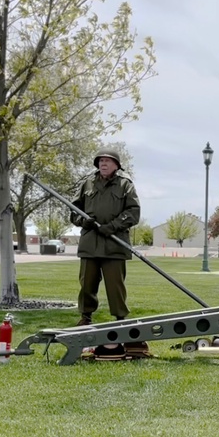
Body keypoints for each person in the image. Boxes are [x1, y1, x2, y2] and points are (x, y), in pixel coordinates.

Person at [70, 147, 147, 353]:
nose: (103, 163)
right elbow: (73, 210)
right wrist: (83, 221)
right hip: (90, 243)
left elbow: (133, 212)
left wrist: (112, 226)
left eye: (107, 161)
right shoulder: (87, 183)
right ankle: (85, 318)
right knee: (86, 284)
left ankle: (120, 320)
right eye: (100, 161)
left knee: (115, 286)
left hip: (114, 243)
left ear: (116, 165)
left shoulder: (125, 185)